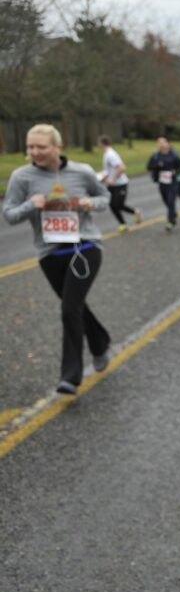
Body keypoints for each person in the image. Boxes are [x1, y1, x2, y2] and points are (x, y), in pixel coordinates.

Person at [3, 124, 112, 395]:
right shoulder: (22, 177)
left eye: (41, 147)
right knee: (74, 307)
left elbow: (104, 198)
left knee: (69, 309)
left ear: (57, 148)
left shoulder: (82, 172)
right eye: (30, 147)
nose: (34, 152)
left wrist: (89, 204)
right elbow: (9, 214)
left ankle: (70, 375)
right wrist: (31, 205)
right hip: (50, 254)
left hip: (84, 247)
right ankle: (99, 342)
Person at [97, 135, 141, 231]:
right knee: (112, 205)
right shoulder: (106, 154)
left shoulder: (110, 154)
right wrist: (100, 176)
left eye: (98, 143)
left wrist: (113, 179)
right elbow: (108, 170)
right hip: (112, 185)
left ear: (101, 144)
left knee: (118, 205)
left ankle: (136, 212)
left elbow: (122, 168)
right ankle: (123, 224)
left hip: (120, 184)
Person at [146, 136, 180, 232]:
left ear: (167, 143)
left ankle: (170, 222)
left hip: (173, 182)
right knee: (166, 201)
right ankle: (173, 213)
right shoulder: (155, 156)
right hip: (162, 183)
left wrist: (175, 172)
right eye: (159, 143)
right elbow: (149, 167)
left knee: (171, 201)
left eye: (163, 142)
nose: (161, 144)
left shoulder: (174, 155)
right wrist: (157, 166)